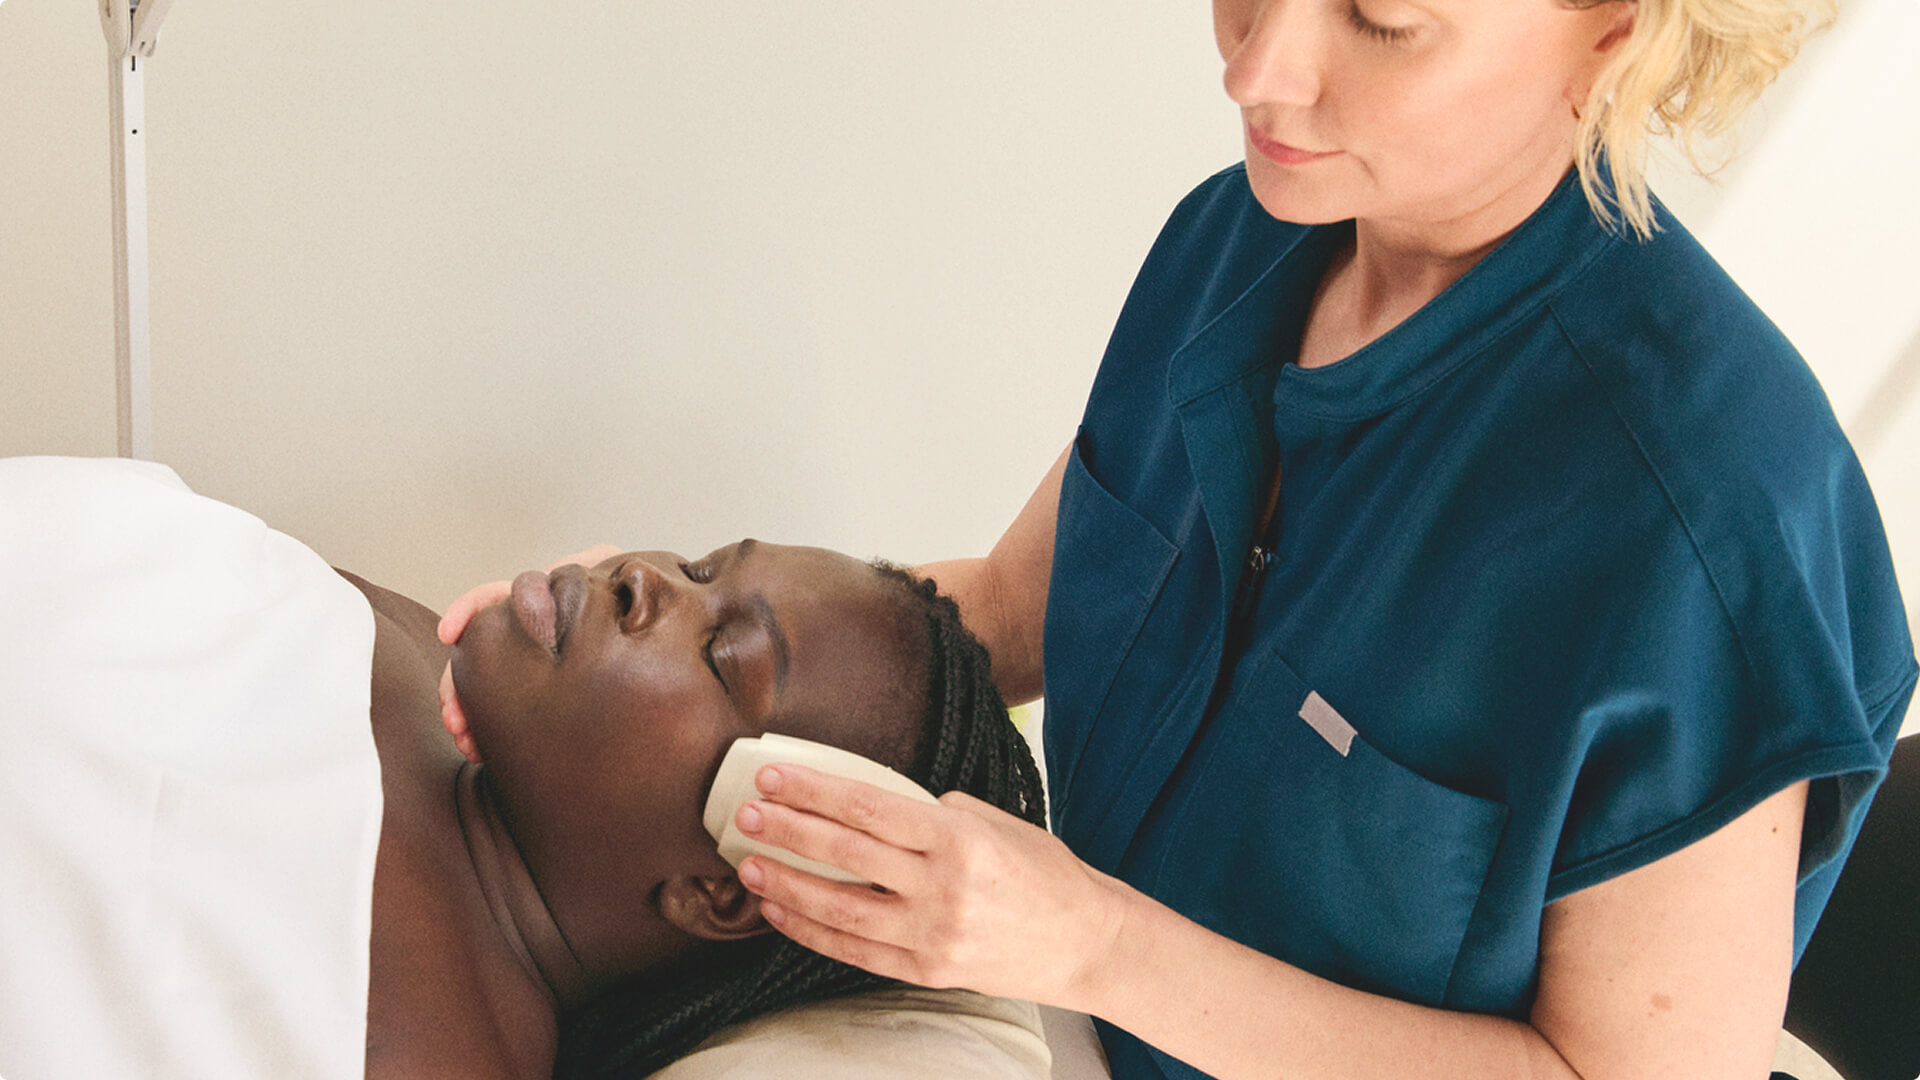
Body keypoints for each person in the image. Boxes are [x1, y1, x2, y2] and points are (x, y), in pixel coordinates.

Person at [439, 0, 1916, 1076]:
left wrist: (1092, 945)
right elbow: (1012, 610)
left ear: (1619, 33)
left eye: (1383, 19)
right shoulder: (1244, 240)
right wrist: (614, 659)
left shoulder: (1706, 523)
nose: (1259, 65)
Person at [0, 456, 1043, 1080]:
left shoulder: (409, 1048)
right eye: (698, 565)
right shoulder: (406, 651)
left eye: (726, 654)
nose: (641, 579)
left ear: (721, 884)